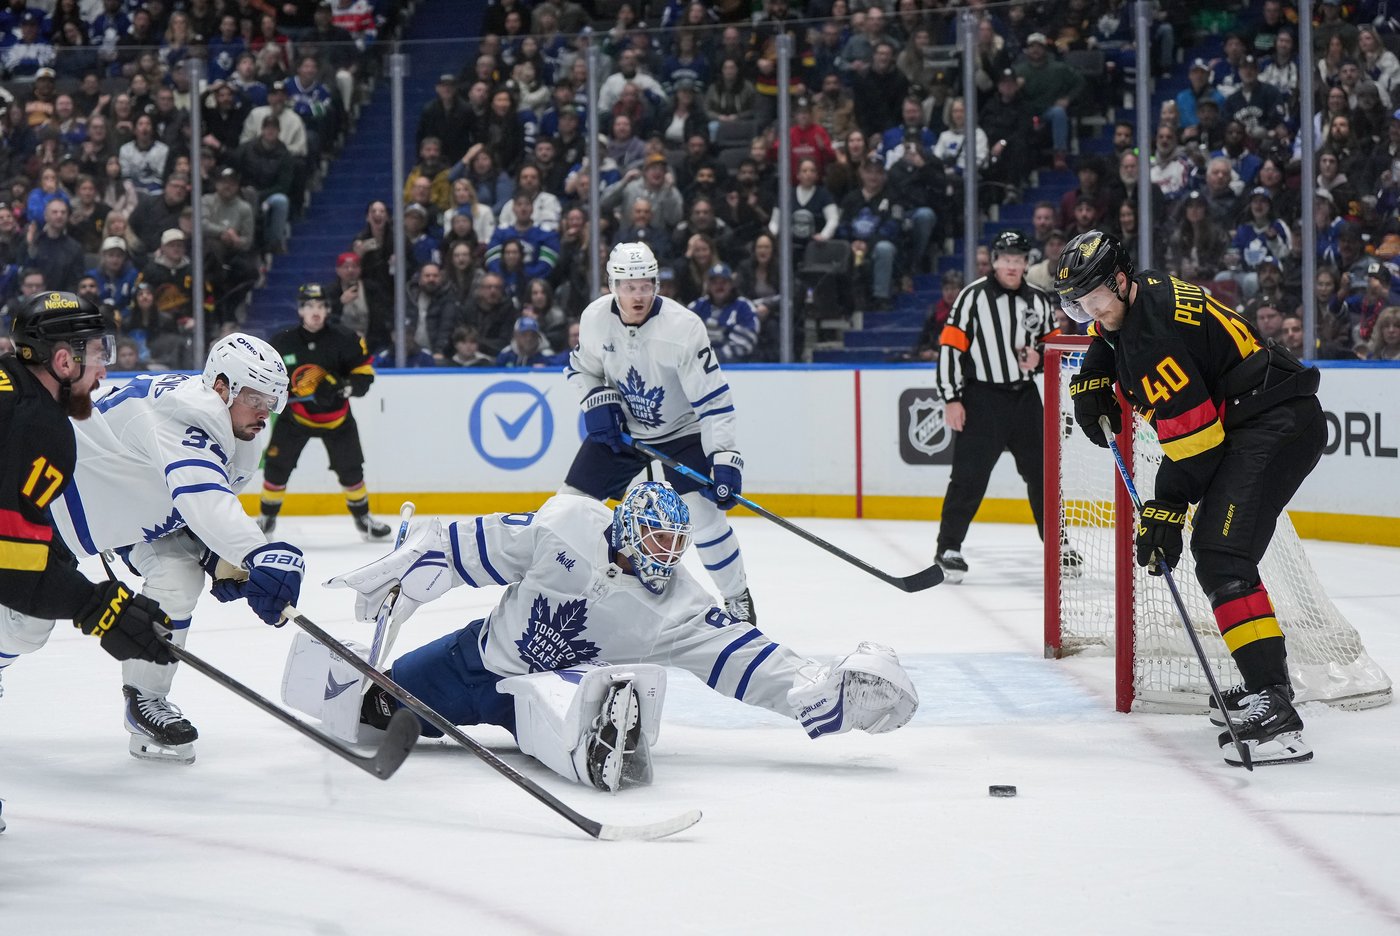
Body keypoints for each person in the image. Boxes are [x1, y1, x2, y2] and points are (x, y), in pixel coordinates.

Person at [303, 481, 918, 792]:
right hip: (476, 657)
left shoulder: (678, 605)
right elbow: (476, 545)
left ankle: (602, 734)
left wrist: (817, 687)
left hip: (542, 690)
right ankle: (381, 696)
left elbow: (742, 656)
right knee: (376, 708)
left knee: (563, 728)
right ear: (624, 530)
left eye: (677, 546)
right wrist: (419, 567)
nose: (667, 557)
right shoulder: (566, 525)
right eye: (655, 541)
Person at [1055, 229, 1322, 766]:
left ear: (1119, 281)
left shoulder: (1155, 340)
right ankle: (1267, 689)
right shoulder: (1140, 296)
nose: (1085, 314)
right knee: (1222, 557)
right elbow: (1111, 340)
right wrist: (1092, 379)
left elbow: (1198, 450)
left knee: (1223, 556)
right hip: (1262, 414)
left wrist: (1164, 510)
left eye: (1092, 299)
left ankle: (1279, 716)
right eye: (1076, 303)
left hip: (1274, 424)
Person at [46, 334, 301, 763]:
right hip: (49, 505)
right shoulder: (184, 416)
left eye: (272, 400)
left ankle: (144, 699)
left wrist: (213, 553)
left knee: (180, 577)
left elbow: (189, 503)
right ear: (221, 387)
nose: (264, 411)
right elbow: (204, 498)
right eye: (256, 397)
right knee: (20, 629)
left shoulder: (234, 428)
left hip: (124, 515)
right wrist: (260, 554)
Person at [561, 243, 757, 623]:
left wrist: (724, 459)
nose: (638, 295)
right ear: (613, 285)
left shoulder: (683, 329)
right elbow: (579, 369)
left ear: (656, 283)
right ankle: (551, 585)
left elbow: (714, 401)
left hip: (681, 433)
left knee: (705, 517)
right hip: (624, 432)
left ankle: (737, 598)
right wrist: (595, 401)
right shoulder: (595, 319)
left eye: (646, 285)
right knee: (568, 507)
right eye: (629, 286)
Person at [1, 292, 174, 696]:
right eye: (99, 353)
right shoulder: (41, 429)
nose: (103, 371)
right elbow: (13, 572)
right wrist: (96, 606)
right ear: (63, 361)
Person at [933, 231, 1061, 583]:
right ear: (994, 261)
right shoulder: (971, 297)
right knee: (968, 478)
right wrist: (952, 398)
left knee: (1043, 475)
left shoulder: (1038, 301)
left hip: (1023, 398)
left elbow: (1052, 352)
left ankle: (1056, 544)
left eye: (1018, 259)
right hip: (981, 399)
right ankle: (948, 547)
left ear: (1026, 263)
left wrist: (1039, 358)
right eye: (1006, 259)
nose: (1012, 265)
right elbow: (950, 349)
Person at [257, 285, 390, 541]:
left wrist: (345, 388)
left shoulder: (345, 338)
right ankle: (267, 519)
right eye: (309, 306)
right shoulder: (282, 342)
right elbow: (266, 380)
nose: (314, 312)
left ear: (328, 310)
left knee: (351, 469)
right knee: (276, 467)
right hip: (295, 417)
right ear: (300, 310)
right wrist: (280, 394)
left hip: (336, 418)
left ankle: (364, 520)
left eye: (319, 306)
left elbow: (363, 375)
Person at [689, 263, 760, 363]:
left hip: (737, 367)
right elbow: (684, 337)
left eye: (723, 282)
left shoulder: (744, 307)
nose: (719, 286)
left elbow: (748, 338)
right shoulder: (697, 307)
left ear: (731, 284)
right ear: (708, 285)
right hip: (700, 366)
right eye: (715, 282)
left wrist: (719, 355)